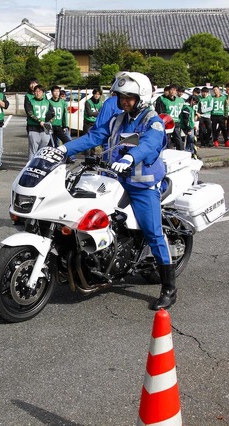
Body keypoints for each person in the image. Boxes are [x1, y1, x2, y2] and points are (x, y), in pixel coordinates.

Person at [58, 72, 177, 311]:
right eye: (121, 96)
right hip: (114, 178)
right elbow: (94, 136)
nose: (124, 101)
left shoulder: (152, 121)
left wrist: (131, 157)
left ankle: (169, 288)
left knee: (152, 232)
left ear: (141, 97)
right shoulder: (117, 120)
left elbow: (150, 143)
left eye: (129, 97)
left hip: (142, 182)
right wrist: (62, 148)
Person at [24, 84, 55, 160]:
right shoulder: (30, 101)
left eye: (40, 91)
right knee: (33, 148)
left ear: (43, 93)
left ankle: (39, 164)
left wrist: (49, 121)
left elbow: (53, 114)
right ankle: (30, 165)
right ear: (34, 92)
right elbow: (30, 113)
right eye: (36, 91)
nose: (38, 93)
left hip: (45, 128)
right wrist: (39, 121)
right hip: (33, 127)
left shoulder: (47, 102)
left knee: (43, 148)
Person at [155, 84, 184, 150]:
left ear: (176, 91)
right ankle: (166, 150)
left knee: (178, 138)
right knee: (167, 139)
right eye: (171, 89)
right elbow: (161, 112)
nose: (172, 91)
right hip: (167, 122)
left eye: (174, 90)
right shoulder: (163, 100)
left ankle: (181, 151)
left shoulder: (179, 100)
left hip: (176, 121)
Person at [180, 95, 200, 159]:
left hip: (191, 126)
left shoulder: (191, 108)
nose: (195, 104)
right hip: (187, 127)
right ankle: (190, 152)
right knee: (190, 140)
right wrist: (188, 129)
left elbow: (191, 118)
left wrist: (193, 125)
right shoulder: (186, 108)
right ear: (191, 100)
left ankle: (191, 153)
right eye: (195, 102)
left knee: (191, 140)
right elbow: (186, 119)